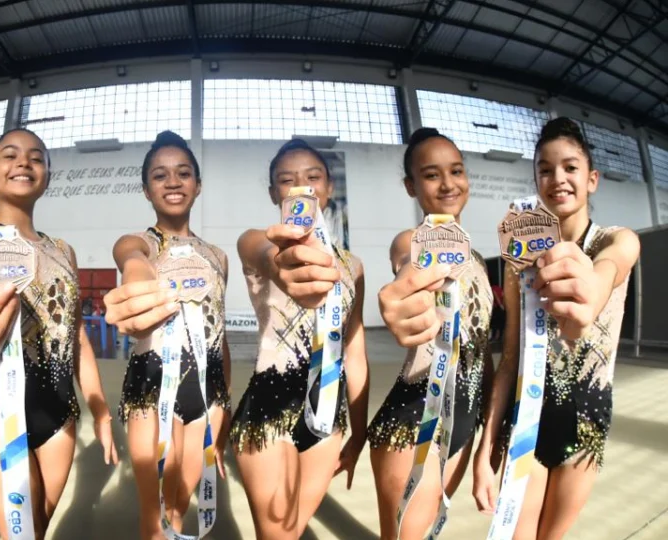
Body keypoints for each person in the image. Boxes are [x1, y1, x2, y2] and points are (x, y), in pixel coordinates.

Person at [0, 127, 117, 539]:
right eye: (10, 155)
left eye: (36, 157)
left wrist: (100, 408)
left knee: (36, 527)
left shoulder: (63, 250)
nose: (23, 162)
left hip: (59, 412)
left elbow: (77, 338)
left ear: (47, 175)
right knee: (23, 531)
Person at [473, 117, 640, 539]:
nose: (557, 178)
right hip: (525, 420)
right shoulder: (520, 261)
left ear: (592, 179)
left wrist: (594, 287)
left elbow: (612, 267)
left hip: (584, 422)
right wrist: (483, 447)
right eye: (545, 169)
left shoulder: (614, 241)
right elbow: (509, 358)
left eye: (570, 167)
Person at [230, 139, 369, 539]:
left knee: (294, 528)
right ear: (275, 192)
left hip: (328, 407)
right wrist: (280, 265)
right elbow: (260, 254)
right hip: (268, 406)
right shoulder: (258, 241)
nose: (301, 186)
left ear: (328, 188)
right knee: (274, 532)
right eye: (286, 180)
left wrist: (357, 432)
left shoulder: (353, 265)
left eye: (312, 177)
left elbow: (355, 351)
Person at [103, 131, 231, 539]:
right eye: (160, 175)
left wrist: (222, 411)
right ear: (146, 189)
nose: (173, 182)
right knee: (155, 517)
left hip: (209, 394)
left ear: (198, 184)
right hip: (152, 386)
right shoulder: (140, 242)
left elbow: (221, 335)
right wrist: (136, 272)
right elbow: (129, 254)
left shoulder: (218, 256)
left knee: (180, 505)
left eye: (183, 173)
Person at [368, 128, 493, 540]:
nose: (448, 184)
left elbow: (483, 353)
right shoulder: (413, 240)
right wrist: (404, 291)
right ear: (411, 186)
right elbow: (408, 262)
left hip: (464, 420)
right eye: (431, 174)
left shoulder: (477, 259)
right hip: (415, 422)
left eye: (456, 171)